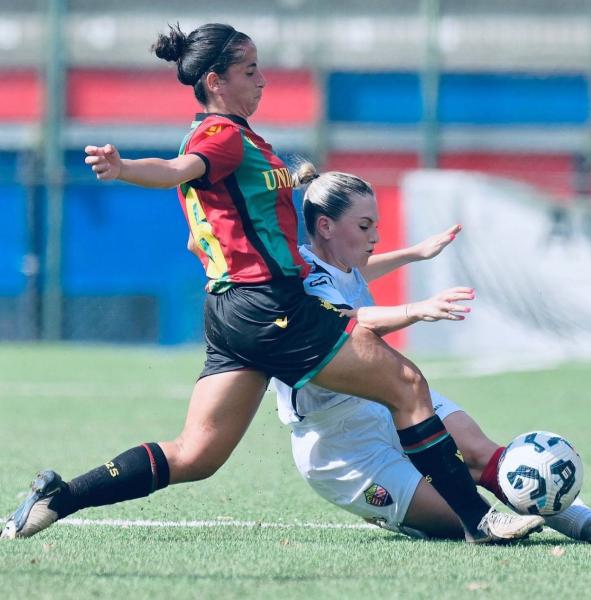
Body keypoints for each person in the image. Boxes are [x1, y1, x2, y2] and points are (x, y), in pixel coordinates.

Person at [2, 23, 543, 544]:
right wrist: (123, 168)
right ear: (216, 81)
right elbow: (177, 169)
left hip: (232, 311)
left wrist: (291, 186)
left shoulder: (238, 141)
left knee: (197, 454)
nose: (262, 80)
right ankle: (480, 521)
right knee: (406, 385)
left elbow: (212, 224)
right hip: (271, 306)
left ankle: (60, 497)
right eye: (250, 70)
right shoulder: (220, 134)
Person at [272, 164, 591, 541]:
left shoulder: (339, 264)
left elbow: (355, 276)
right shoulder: (305, 276)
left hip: (382, 401)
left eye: (376, 225)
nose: (375, 236)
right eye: (365, 227)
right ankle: (402, 513)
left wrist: (414, 253)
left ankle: (585, 522)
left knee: (484, 457)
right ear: (326, 227)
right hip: (339, 445)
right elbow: (355, 317)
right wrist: (417, 309)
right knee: (455, 517)